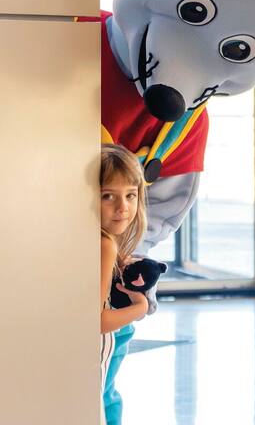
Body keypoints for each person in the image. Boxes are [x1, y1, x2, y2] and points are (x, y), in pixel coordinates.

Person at [99, 144, 150, 425]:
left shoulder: (104, 243)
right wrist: (141, 307)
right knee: (106, 403)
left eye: (130, 195)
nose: (123, 207)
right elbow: (97, 321)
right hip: (103, 347)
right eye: (108, 195)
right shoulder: (105, 244)